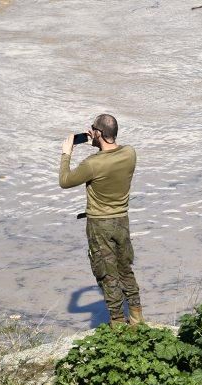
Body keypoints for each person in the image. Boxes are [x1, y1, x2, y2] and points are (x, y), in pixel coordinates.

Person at [59, 114, 144, 326]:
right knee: (125, 268)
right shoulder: (130, 153)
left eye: (93, 129)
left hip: (99, 225)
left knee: (107, 274)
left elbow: (65, 181)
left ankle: (116, 321)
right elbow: (110, 154)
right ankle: (136, 317)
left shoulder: (92, 164)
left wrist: (66, 153)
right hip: (122, 221)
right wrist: (97, 142)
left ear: (98, 133)